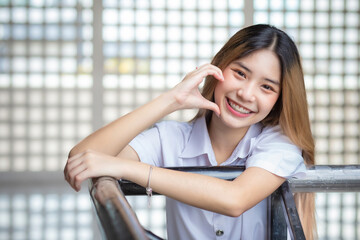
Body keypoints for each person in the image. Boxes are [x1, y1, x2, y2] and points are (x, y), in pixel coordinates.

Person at [64, 24, 316, 239]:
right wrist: (171, 100)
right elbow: (82, 157)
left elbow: (235, 199)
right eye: (240, 73)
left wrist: (127, 168)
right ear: (217, 68)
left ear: (279, 99)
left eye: (267, 87)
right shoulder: (172, 138)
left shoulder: (279, 143)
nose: (246, 94)